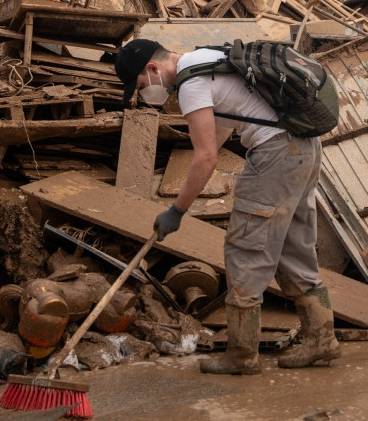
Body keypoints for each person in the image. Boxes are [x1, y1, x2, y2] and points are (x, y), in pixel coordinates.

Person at [114, 39, 340, 375]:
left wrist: (177, 209)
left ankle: (241, 355)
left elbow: (206, 157)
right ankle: (322, 340)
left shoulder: (190, 84)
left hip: (275, 156)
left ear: (152, 68)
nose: (145, 93)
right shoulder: (207, 57)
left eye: (142, 86)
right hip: (303, 148)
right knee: (294, 247)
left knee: (244, 249)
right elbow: (222, 130)